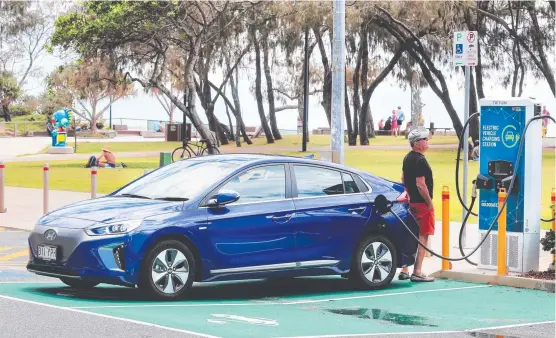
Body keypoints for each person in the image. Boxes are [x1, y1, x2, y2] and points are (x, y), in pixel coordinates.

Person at [399, 127, 435, 282]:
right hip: (421, 204)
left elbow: (403, 178)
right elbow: (421, 184)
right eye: (424, 140)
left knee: (410, 235)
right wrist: (429, 203)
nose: (427, 142)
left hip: (411, 202)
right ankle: (418, 271)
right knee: (422, 236)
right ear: (416, 143)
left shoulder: (408, 158)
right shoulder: (420, 160)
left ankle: (404, 269)